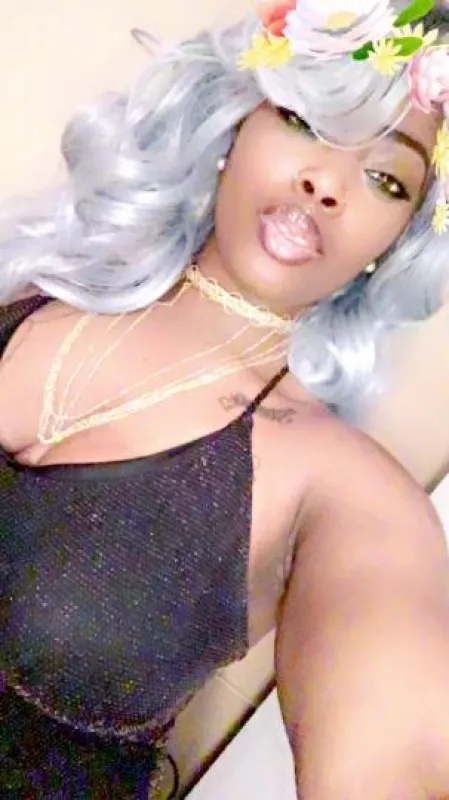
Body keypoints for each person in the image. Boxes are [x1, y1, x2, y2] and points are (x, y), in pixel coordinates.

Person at [2, 1, 449, 797]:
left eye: (385, 178)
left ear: (398, 242)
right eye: (306, 121)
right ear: (236, 121)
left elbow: (400, 757)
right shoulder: (27, 293)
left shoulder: (346, 495)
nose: (326, 183)